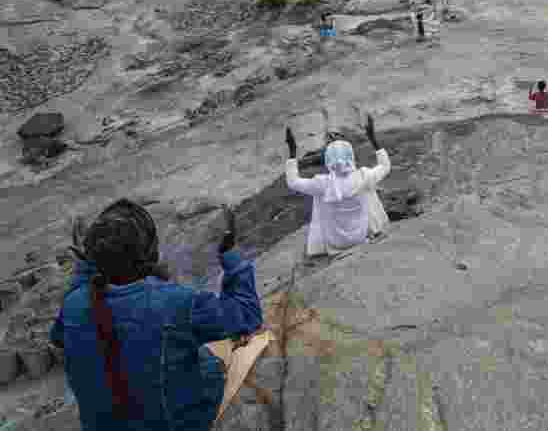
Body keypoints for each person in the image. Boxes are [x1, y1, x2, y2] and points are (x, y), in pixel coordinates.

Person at [50, 200, 262, 430]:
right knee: (208, 362)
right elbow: (247, 314)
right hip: (173, 424)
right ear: (151, 253)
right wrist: (231, 254)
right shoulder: (179, 303)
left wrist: (85, 266)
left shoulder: (74, 303)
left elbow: (59, 338)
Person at [284, 119, 392, 257]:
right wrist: (373, 140)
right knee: (369, 190)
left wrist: (292, 151)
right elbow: (385, 166)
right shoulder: (363, 176)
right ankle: (375, 228)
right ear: (350, 156)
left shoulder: (322, 184)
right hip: (360, 237)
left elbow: (292, 182)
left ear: (328, 159)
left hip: (335, 243)